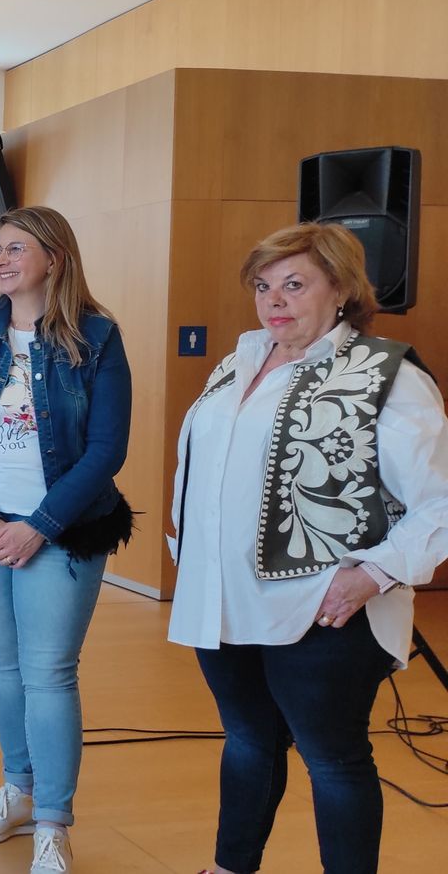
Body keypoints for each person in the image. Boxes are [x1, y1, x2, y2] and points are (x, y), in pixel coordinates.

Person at [168, 223, 448, 874]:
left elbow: (438, 501)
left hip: (324, 606)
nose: (275, 300)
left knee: (333, 758)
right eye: (264, 286)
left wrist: (371, 576)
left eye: (296, 285)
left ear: (343, 289)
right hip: (224, 600)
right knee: (246, 740)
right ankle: (231, 866)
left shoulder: (386, 374)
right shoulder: (235, 363)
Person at [0, 205, 132, 874]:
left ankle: (53, 822)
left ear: (55, 258)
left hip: (62, 532)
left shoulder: (97, 338)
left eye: (17, 248)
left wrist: (39, 525)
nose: (2, 260)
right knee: (6, 665)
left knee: (49, 673)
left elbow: (106, 449)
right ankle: (17, 792)